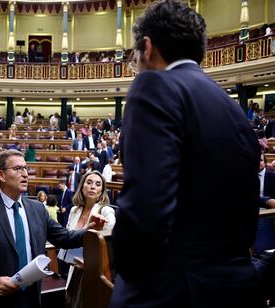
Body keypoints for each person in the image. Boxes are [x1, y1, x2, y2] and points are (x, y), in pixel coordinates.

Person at [110, 1, 263, 307]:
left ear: (148, 47)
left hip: (166, 291)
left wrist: (123, 271)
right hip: (234, 288)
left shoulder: (153, 86)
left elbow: (146, 207)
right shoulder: (235, 112)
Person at [0, 149, 107, 308]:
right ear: (1, 175)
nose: (25, 174)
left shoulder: (38, 209)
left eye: (25, 168)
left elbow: (64, 238)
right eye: (18, 169)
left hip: (30, 298)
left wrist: (89, 229)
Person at [64, 170, 116, 308]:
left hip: (94, 270)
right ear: (82, 186)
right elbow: (68, 238)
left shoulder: (105, 211)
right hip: (73, 268)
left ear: (102, 191)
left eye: (98, 184)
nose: (93, 186)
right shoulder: (74, 210)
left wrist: (91, 262)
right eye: (89, 182)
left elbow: (111, 242)